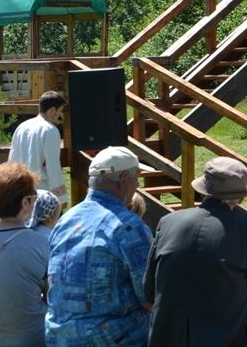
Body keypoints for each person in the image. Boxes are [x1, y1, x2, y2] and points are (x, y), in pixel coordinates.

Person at [144, 157, 247, 347]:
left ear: (202, 192)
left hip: (167, 338)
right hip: (227, 340)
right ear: (240, 198)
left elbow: (149, 291)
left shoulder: (168, 222)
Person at [45, 146, 153, 346]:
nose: (138, 185)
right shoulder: (128, 225)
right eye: (137, 178)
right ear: (123, 181)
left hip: (59, 338)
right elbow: (150, 297)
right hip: (109, 339)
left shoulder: (65, 220)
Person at [0, 162, 51, 347]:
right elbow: (54, 299)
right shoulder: (43, 244)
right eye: (34, 197)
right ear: (25, 202)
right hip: (32, 339)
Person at [8, 90, 69, 208]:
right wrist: (61, 197)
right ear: (52, 110)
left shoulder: (22, 126)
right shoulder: (50, 130)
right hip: (43, 193)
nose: (60, 116)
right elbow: (53, 165)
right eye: (60, 111)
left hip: (21, 192)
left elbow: (12, 159)